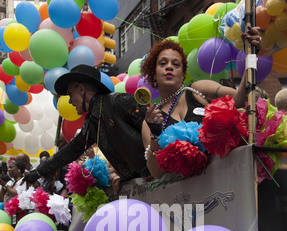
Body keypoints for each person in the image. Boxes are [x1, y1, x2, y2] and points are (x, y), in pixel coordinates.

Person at [141, 28, 262, 179]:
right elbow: (156, 173)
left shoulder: (197, 90)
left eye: (176, 64)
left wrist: (250, 56)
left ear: (183, 74)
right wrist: (155, 134)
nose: (169, 67)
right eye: (163, 63)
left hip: (227, 178)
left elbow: (238, 100)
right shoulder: (149, 121)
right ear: (153, 73)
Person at [24, 64, 149, 186]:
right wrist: (38, 171)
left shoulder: (118, 102)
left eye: (70, 93)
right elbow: (69, 151)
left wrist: (151, 166)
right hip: (142, 188)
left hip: (160, 179)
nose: (69, 101)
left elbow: (158, 128)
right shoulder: (92, 122)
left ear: (81, 89)